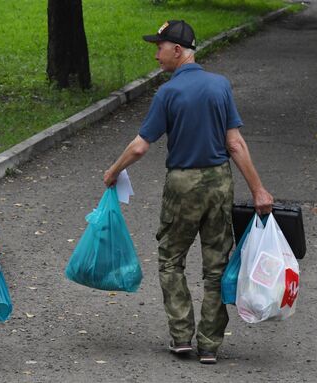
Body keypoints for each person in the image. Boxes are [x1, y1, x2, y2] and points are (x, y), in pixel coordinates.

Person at [103, 20, 273, 364]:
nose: (156, 54)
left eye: (160, 47)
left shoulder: (168, 93)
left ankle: (181, 336)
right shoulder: (220, 86)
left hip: (182, 184)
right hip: (218, 182)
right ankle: (210, 344)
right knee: (217, 264)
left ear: (177, 50)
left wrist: (113, 171)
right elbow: (235, 143)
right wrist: (258, 190)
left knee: (171, 260)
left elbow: (139, 147)